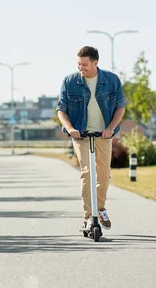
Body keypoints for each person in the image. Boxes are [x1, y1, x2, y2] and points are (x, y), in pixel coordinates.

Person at [56, 46, 126, 231]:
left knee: (103, 174)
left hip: (104, 134)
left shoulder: (111, 80)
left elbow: (120, 107)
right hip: (80, 134)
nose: (81, 68)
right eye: (79, 64)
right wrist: (70, 128)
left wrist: (110, 128)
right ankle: (89, 217)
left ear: (95, 63)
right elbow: (61, 110)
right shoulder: (70, 82)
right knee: (87, 172)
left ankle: (99, 208)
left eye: (85, 64)